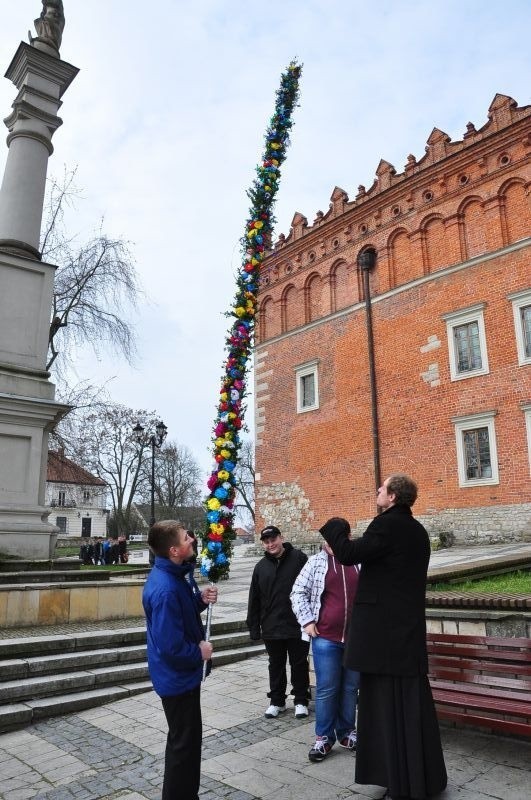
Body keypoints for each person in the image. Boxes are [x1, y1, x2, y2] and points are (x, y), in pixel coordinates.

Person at [319, 474, 447, 800]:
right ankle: (417, 778)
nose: (377, 491)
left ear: (392, 496)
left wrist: (334, 523)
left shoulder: (387, 526)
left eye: (381, 488)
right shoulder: (416, 530)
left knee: (389, 709)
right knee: (408, 708)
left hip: (385, 641)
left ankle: (401, 782)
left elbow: (347, 553)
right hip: (404, 636)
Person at [142, 520, 218, 800]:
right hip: (177, 680)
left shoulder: (176, 576)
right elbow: (170, 646)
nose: (192, 541)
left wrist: (201, 600)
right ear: (174, 550)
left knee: (185, 744)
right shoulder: (165, 589)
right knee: (183, 747)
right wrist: (199, 652)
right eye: (187, 538)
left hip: (181, 678)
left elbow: (181, 612)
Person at [291, 531, 360, 762]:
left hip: (354, 638)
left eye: (336, 538)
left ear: (347, 537)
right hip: (326, 638)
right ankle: (323, 737)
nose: (330, 543)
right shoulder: (316, 562)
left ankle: (347, 732)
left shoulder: (357, 560)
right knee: (327, 689)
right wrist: (307, 621)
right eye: (328, 539)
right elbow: (297, 591)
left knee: (350, 688)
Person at [246, 525, 310, 719]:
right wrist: (254, 627)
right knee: (276, 664)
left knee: (299, 663)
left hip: (296, 623)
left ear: (281, 538)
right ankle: (277, 701)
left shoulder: (299, 559)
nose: (271, 544)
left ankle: (300, 700)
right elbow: (254, 598)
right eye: (266, 541)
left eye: (273, 539)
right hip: (271, 625)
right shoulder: (260, 567)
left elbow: (311, 588)